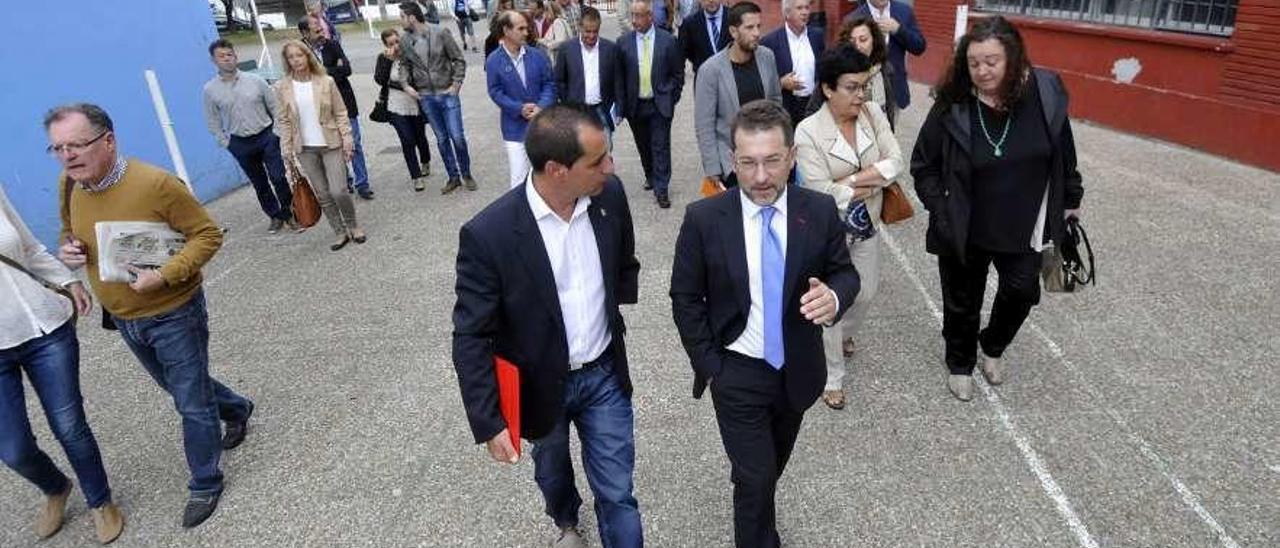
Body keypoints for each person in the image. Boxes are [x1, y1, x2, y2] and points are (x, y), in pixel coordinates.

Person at [49, 103, 254, 529]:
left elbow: (208, 235)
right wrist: (69, 249)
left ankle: (204, 482)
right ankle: (236, 408)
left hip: (174, 312)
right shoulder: (69, 186)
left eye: (76, 145)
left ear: (108, 140)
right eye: (58, 148)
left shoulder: (157, 184)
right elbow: (69, 232)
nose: (68, 156)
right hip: (123, 315)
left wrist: (164, 275)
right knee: (179, 387)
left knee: (191, 403)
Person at [670, 100, 859, 548]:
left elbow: (844, 272)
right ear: (732, 160)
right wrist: (711, 364)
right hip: (736, 371)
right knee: (756, 481)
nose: (760, 176)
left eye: (772, 161)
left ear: (791, 156)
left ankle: (753, 491)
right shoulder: (704, 219)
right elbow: (684, 296)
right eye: (748, 162)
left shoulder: (818, 210)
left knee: (766, 469)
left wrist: (833, 296)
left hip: (797, 370)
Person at [452, 104, 643, 548]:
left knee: (618, 494)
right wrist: (488, 419)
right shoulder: (489, 234)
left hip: (603, 377)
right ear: (557, 170)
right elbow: (471, 334)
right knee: (552, 472)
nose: (611, 169)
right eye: (597, 161)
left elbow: (624, 262)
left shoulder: (609, 198)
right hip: (539, 387)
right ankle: (566, 522)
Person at [910, 16, 1083, 401]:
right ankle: (959, 362)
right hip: (966, 226)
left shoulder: (1046, 92)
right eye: (974, 63)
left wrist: (1071, 198)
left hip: (1025, 225)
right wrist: (940, 208)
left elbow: (1063, 150)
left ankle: (993, 346)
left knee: (1023, 292)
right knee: (962, 301)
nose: (982, 71)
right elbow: (923, 165)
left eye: (991, 61)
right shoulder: (953, 105)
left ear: (1013, 58)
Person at [0, 185, 124, 544]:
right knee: (13, 449)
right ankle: (56, 487)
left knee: (69, 426)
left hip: (43, 328)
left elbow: (27, 247)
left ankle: (101, 501)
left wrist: (67, 280)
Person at [794, 45, 903, 409]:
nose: (861, 95)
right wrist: (870, 181)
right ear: (827, 89)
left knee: (866, 293)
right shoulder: (808, 131)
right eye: (852, 87)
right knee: (832, 303)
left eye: (863, 86)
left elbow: (896, 161)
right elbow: (820, 191)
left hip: (867, 225)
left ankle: (842, 337)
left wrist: (853, 182)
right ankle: (831, 377)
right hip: (827, 233)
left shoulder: (872, 114)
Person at [275, 40, 368, 251]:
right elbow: (284, 120)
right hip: (305, 148)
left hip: (331, 142)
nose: (296, 60)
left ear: (307, 56)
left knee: (339, 190)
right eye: (291, 57)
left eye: (299, 55)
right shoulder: (282, 87)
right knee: (323, 195)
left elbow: (341, 112)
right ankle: (339, 231)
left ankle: (353, 225)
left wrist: (347, 138)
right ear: (287, 61)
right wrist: (286, 149)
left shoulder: (326, 81)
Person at [202, 39, 298, 233]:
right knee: (259, 183)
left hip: (266, 136)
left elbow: (275, 107)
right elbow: (212, 121)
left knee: (278, 177)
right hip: (239, 142)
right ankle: (275, 215)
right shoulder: (210, 90)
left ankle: (290, 213)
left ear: (235, 57)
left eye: (230, 54)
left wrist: (276, 133)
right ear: (214, 61)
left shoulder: (256, 81)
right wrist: (226, 142)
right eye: (221, 56)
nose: (227, 59)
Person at [695, 2, 781, 191]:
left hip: (766, 155)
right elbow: (705, 126)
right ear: (734, 32)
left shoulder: (767, 57)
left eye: (759, 26)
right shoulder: (710, 70)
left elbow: (776, 102)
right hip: (732, 163)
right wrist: (713, 170)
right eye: (750, 27)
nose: (757, 33)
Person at [400, 1, 479, 194]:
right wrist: (406, 85)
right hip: (426, 96)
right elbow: (404, 64)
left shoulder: (440, 32)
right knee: (442, 139)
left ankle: (466, 173)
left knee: (457, 137)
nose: (400, 21)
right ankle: (453, 177)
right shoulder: (405, 40)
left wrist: (456, 84)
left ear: (412, 17)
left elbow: (458, 59)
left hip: (447, 92)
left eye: (402, 16)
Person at [299, 15, 374, 200]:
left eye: (319, 25)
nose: (319, 28)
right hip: (319, 109)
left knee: (354, 143)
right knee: (332, 147)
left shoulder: (332, 45)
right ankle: (344, 181)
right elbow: (303, 78)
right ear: (304, 32)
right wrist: (332, 69)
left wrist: (322, 71)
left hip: (345, 103)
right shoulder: (299, 51)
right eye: (314, 26)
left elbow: (346, 69)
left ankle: (362, 184)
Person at [619, 0, 683, 209]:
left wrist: (671, 97)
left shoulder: (668, 41)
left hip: (659, 103)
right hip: (635, 105)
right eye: (633, 15)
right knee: (644, 145)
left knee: (660, 145)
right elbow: (619, 78)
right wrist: (622, 106)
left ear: (650, 16)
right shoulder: (623, 42)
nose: (635, 20)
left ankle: (661, 188)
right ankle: (651, 175)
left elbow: (678, 74)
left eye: (639, 16)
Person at [486, 10, 557, 188]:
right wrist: (518, 108)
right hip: (514, 130)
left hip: (542, 127)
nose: (526, 32)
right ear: (506, 31)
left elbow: (549, 84)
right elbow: (495, 91)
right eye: (521, 28)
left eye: (527, 28)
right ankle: (520, 214)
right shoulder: (493, 61)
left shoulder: (538, 55)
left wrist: (541, 107)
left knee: (546, 177)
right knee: (519, 180)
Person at [809, 17, 897, 129]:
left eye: (863, 39)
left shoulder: (886, 70)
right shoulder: (834, 71)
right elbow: (812, 111)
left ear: (874, 41)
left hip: (879, 137)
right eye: (852, 41)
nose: (858, 46)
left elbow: (890, 111)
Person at [375, 29, 435, 192]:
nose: (395, 46)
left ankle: (425, 161)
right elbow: (380, 80)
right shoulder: (384, 58)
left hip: (415, 104)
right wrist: (388, 60)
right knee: (407, 140)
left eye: (397, 41)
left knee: (419, 137)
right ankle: (416, 177)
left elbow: (420, 77)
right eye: (390, 44)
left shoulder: (410, 54)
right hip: (395, 106)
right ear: (385, 46)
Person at [554, 7, 623, 147]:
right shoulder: (566, 49)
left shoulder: (610, 49)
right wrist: (567, 103)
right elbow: (560, 80)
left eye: (595, 31)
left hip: (601, 111)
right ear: (580, 27)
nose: (591, 35)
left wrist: (619, 109)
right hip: (577, 112)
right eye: (587, 31)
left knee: (604, 152)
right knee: (578, 153)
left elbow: (618, 81)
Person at [843, 0, 925, 112]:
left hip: (894, 90)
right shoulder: (852, 18)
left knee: (889, 128)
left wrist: (898, 30)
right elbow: (845, 59)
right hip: (864, 93)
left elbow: (919, 47)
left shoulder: (904, 11)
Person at [760, 0, 824, 126]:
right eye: (799, 8)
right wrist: (781, 83)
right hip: (787, 106)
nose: (805, 12)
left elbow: (822, 67)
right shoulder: (770, 42)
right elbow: (762, 80)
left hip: (813, 104)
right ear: (787, 13)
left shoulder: (816, 35)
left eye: (807, 8)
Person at [678, 0, 730, 77]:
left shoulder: (734, 17)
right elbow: (682, 54)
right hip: (703, 78)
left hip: (732, 78)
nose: (711, 1)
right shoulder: (689, 23)